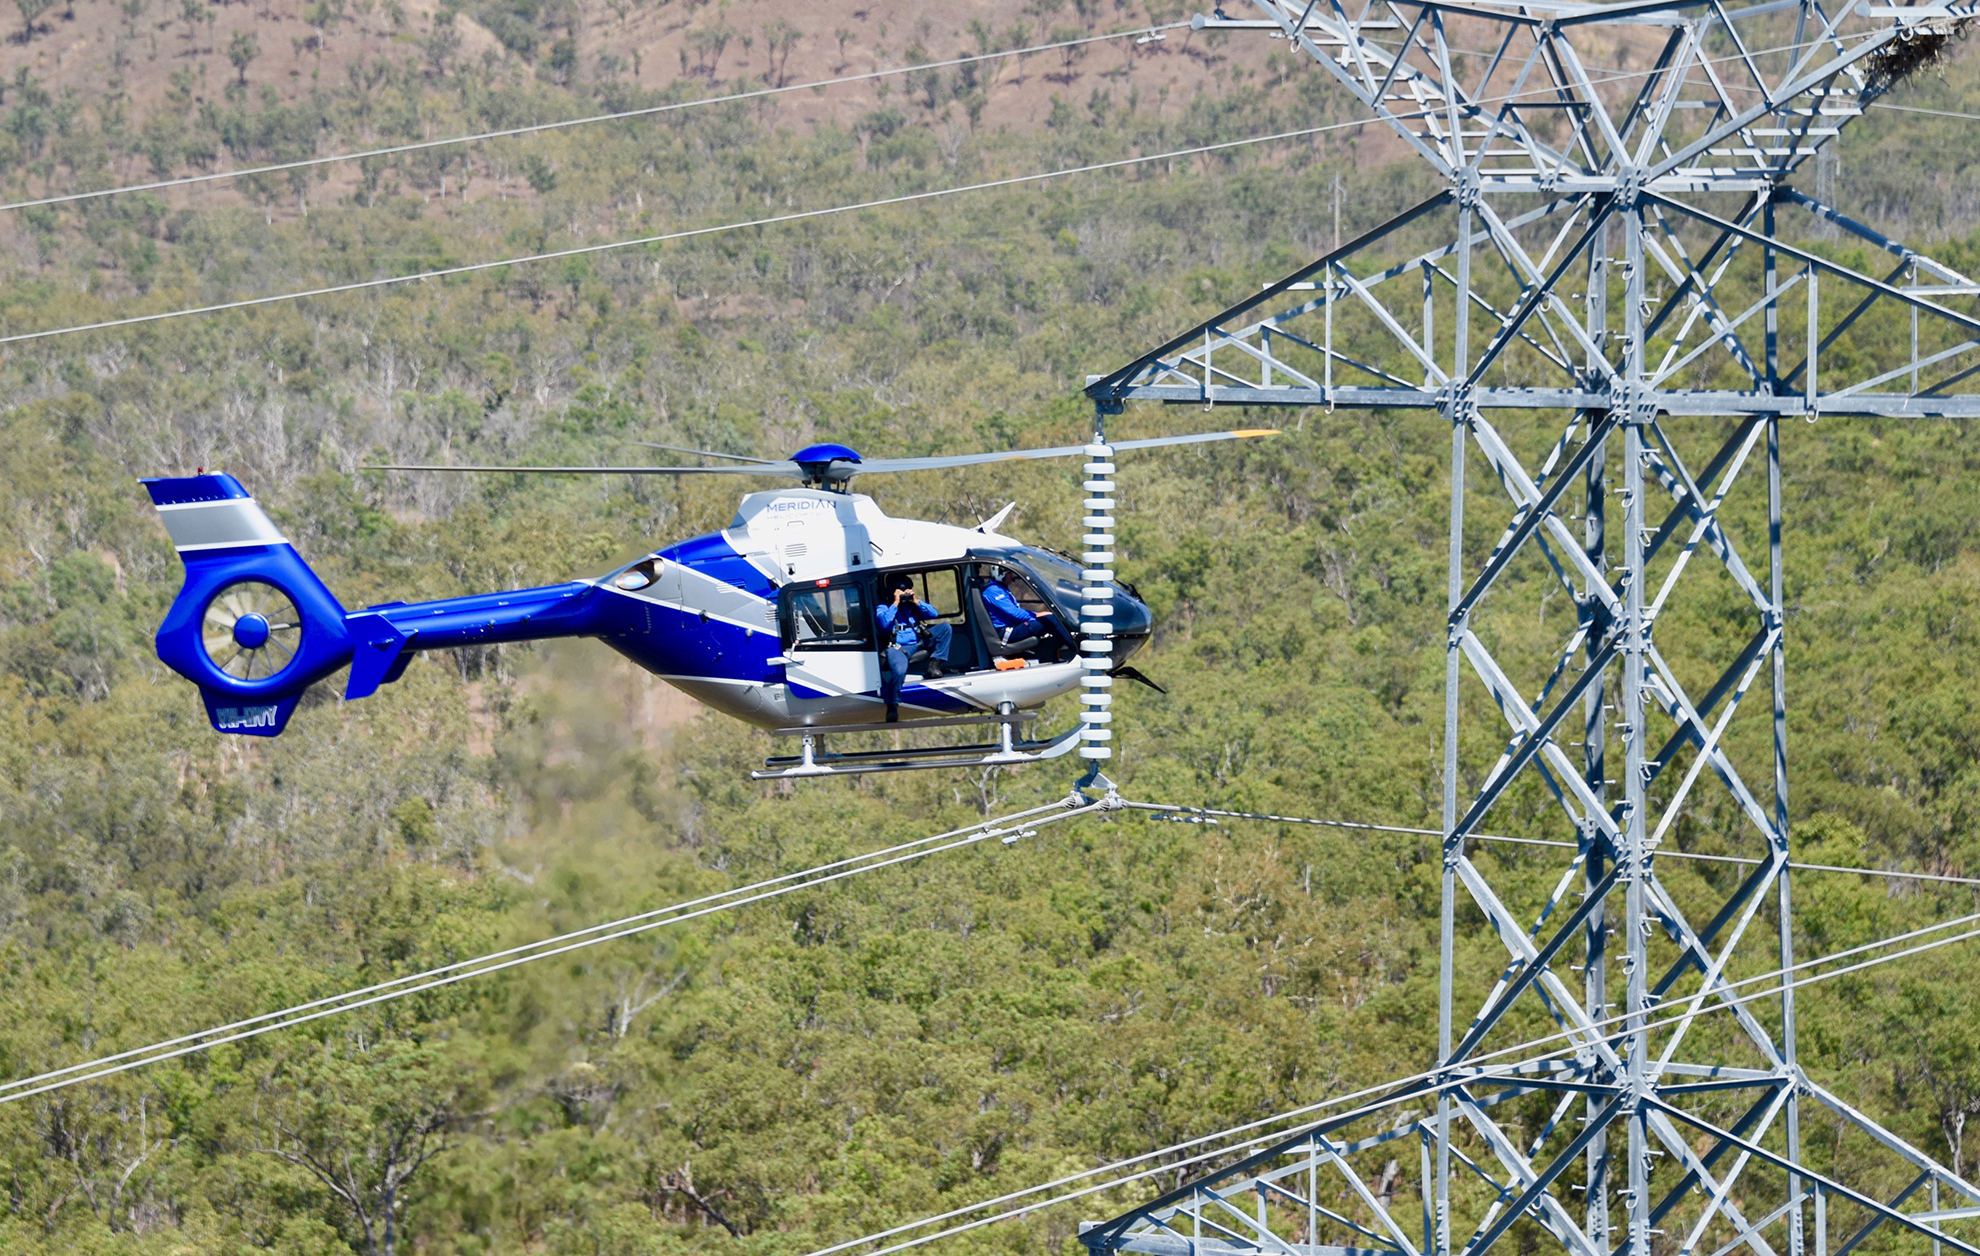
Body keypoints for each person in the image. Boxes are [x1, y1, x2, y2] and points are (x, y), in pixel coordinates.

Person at [875, 575, 954, 722]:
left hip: (919, 641)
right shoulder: (883, 607)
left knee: (945, 628)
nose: (904, 594)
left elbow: (933, 614)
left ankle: (934, 666)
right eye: (901, 591)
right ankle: (892, 704)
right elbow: (884, 624)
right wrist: (896, 603)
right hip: (898, 647)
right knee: (898, 670)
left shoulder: (912, 606)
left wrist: (916, 601)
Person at [980, 570, 1074, 661]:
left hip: (1012, 628)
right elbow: (1014, 613)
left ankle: (1052, 656)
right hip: (1008, 633)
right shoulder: (993, 591)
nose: (1012, 576)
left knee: (1050, 621)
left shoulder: (999, 588)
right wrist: (1036, 615)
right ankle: (1076, 648)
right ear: (999, 573)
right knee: (1050, 619)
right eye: (1009, 573)